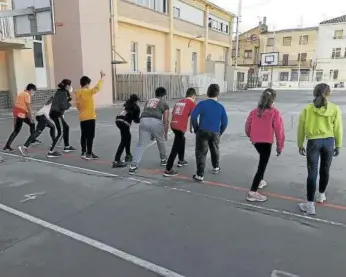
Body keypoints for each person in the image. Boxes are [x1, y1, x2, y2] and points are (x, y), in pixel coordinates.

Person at [297, 83, 343, 215]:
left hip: (313, 142)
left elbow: (301, 127)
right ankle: (321, 195)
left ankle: (310, 205)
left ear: (314, 93)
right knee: (325, 169)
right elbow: (338, 128)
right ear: (328, 94)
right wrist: (338, 144)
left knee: (312, 172)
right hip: (329, 142)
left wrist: (300, 143)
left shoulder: (307, 109)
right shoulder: (334, 108)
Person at [245, 88, 285, 202]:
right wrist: (279, 146)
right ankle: (252, 192)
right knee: (262, 166)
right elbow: (279, 131)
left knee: (262, 159)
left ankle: (260, 180)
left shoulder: (254, 111)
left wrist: (251, 136)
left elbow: (247, 126)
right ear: (272, 101)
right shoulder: (274, 113)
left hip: (256, 142)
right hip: (266, 142)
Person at [191, 84, 228, 182]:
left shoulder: (201, 104)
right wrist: (220, 132)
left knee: (201, 152)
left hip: (202, 131)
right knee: (215, 149)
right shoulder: (220, 107)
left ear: (207, 93)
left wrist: (196, 128)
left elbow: (194, 117)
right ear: (218, 94)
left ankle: (200, 174)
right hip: (215, 132)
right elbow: (225, 122)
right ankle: (216, 167)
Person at [129, 87, 169, 175]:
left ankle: (133, 166)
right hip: (156, 121)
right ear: (164, 95)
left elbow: (145, 111)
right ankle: (163, 159)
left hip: (143, 120)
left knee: (140, 144)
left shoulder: (149, 101)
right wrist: (165, 133)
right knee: (161, 141)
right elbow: (165, 120)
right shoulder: (164, 103)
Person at [163, 87, 197, 177]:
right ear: (193, 95)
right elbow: (193, 116)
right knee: (175, 147)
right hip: (180, 126)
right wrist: (191, 127)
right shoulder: (192, 103)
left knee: (182, 139)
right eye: (195, 97)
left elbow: (174, 112)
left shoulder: (179, 101)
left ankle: (181, 160)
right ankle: (168, 169)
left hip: (173, 125)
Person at [75, 70, 105, 160]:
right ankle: (89, 153)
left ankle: (83, 152)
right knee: (91, 136)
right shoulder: (88, 92)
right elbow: (97, 88)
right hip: (90, 117)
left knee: (84, 135)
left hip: (82, 117)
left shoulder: (78, 93)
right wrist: (102, 77)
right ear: (87, 84)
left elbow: (77, 106)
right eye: (89, 84)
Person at [3, 83, 39, 152]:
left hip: (19, 113)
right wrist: (31, 117)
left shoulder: (21, 93)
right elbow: (28, 107)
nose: (34, 93)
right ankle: (7, 146)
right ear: (31, 90)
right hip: (20, 114)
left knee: (32, 124)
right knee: (16, 130)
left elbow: (20, 105)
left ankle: (32, 139)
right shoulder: (27, 95)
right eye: (34, 91)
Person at [48, 79, 75, 158]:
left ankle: (67, 146)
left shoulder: (60, 91)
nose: (70, 87)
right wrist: (70, 104)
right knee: (61, 132)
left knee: (66, 127)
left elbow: (62, 101)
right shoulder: (63, 93)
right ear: (67, 86)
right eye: (70, 85)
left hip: (54, 113)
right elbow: (63, 106)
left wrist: (69, 98)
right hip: (56, 114)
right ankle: (51, 151)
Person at [112, 94, 141, 168]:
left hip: (118, 120)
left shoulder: (126, 104)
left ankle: (128, 155)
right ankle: (116, 160)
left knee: (128, 137)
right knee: (124, 140)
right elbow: (136, 120)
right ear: (136, 101)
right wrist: (142, 118)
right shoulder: (136, 107)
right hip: (125, 123)